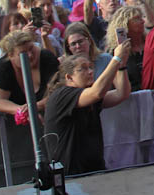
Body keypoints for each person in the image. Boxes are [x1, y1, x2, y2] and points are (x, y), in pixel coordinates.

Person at [43, 44, 132, 175]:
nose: (90, 72)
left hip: (94, 170)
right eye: (83, 69)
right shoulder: (62, 95)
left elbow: (121, 94)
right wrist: (116, 59)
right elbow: (97, 92)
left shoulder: (88, 94)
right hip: (71, 174)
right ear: (69, 77)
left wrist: (122, 66)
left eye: (91, 67)